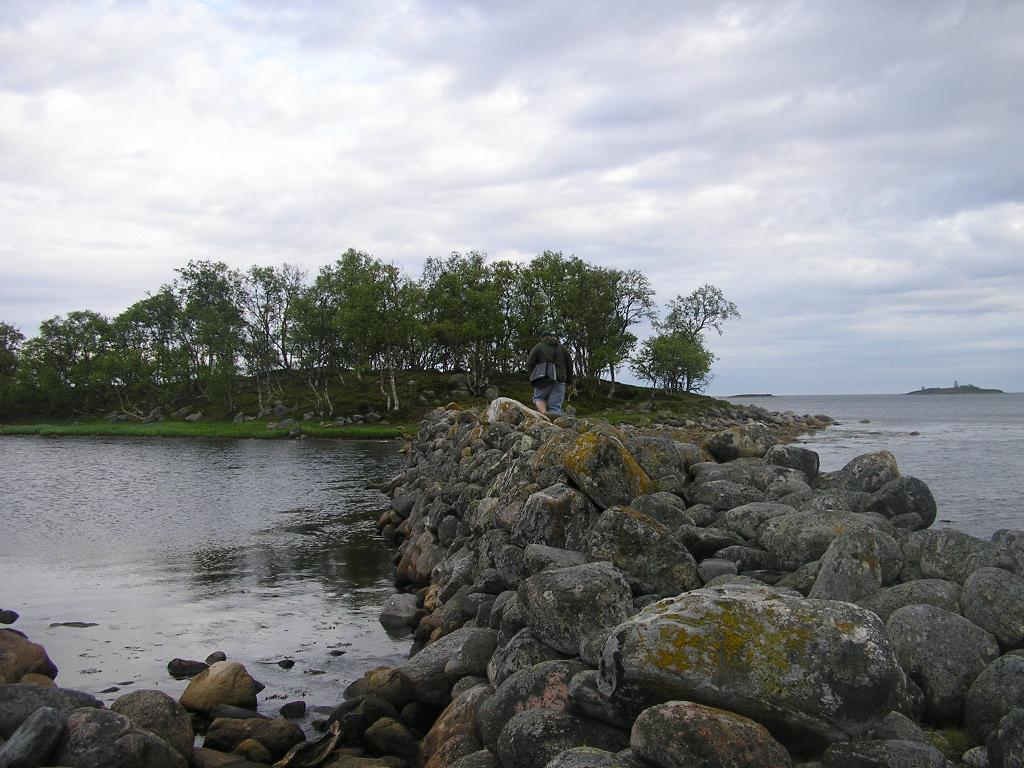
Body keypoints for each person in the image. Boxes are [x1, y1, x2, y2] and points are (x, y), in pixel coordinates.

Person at [526, 329, 573, 415]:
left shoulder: (539, 347)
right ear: (551, 337)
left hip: (543, 379)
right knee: (555, 406)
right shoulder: (562, 348)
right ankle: (555, 422)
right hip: (560, 380)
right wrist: (569, 381)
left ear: (541, 338)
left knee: (539, 398)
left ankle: (544, 416)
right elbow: (569, 364)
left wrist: (533, 376)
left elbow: (530, 362)